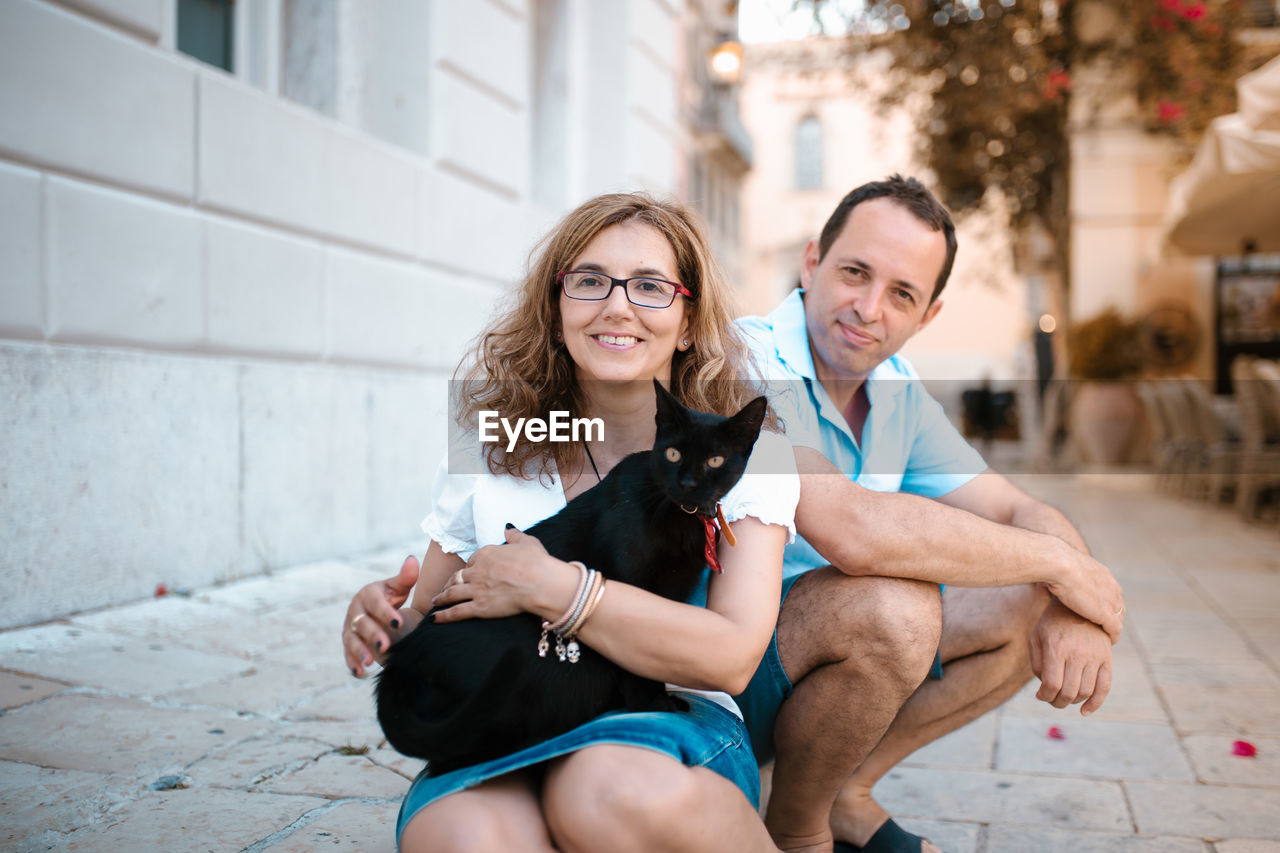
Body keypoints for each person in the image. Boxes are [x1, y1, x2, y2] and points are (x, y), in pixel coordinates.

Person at [342, 193, 799, 852]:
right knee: (467, 838)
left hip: (658, 719)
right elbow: (433, 612)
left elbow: (730, 657)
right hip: (502, 716)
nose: (616, 305)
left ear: (690, 319)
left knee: (600, 791)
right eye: (589, 281)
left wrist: (559, 590)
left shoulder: (740, 455)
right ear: (557, 310)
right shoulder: (493, 442)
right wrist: (384, 622)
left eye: (648, 285)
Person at [733, 175, 1125, 853]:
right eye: (855, 272)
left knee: (1021, 597)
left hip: (810, 662)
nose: (867, 307)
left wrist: (1068, 598)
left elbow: (1014, 504)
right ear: (811, 261)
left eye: (901, 294)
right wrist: (1067, 567)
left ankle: (845, 794)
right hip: (719, 675)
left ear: (928, 316)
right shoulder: (746, 358)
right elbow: (850, 529)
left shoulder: (897, 393)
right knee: (895, 608)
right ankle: (797, 830)